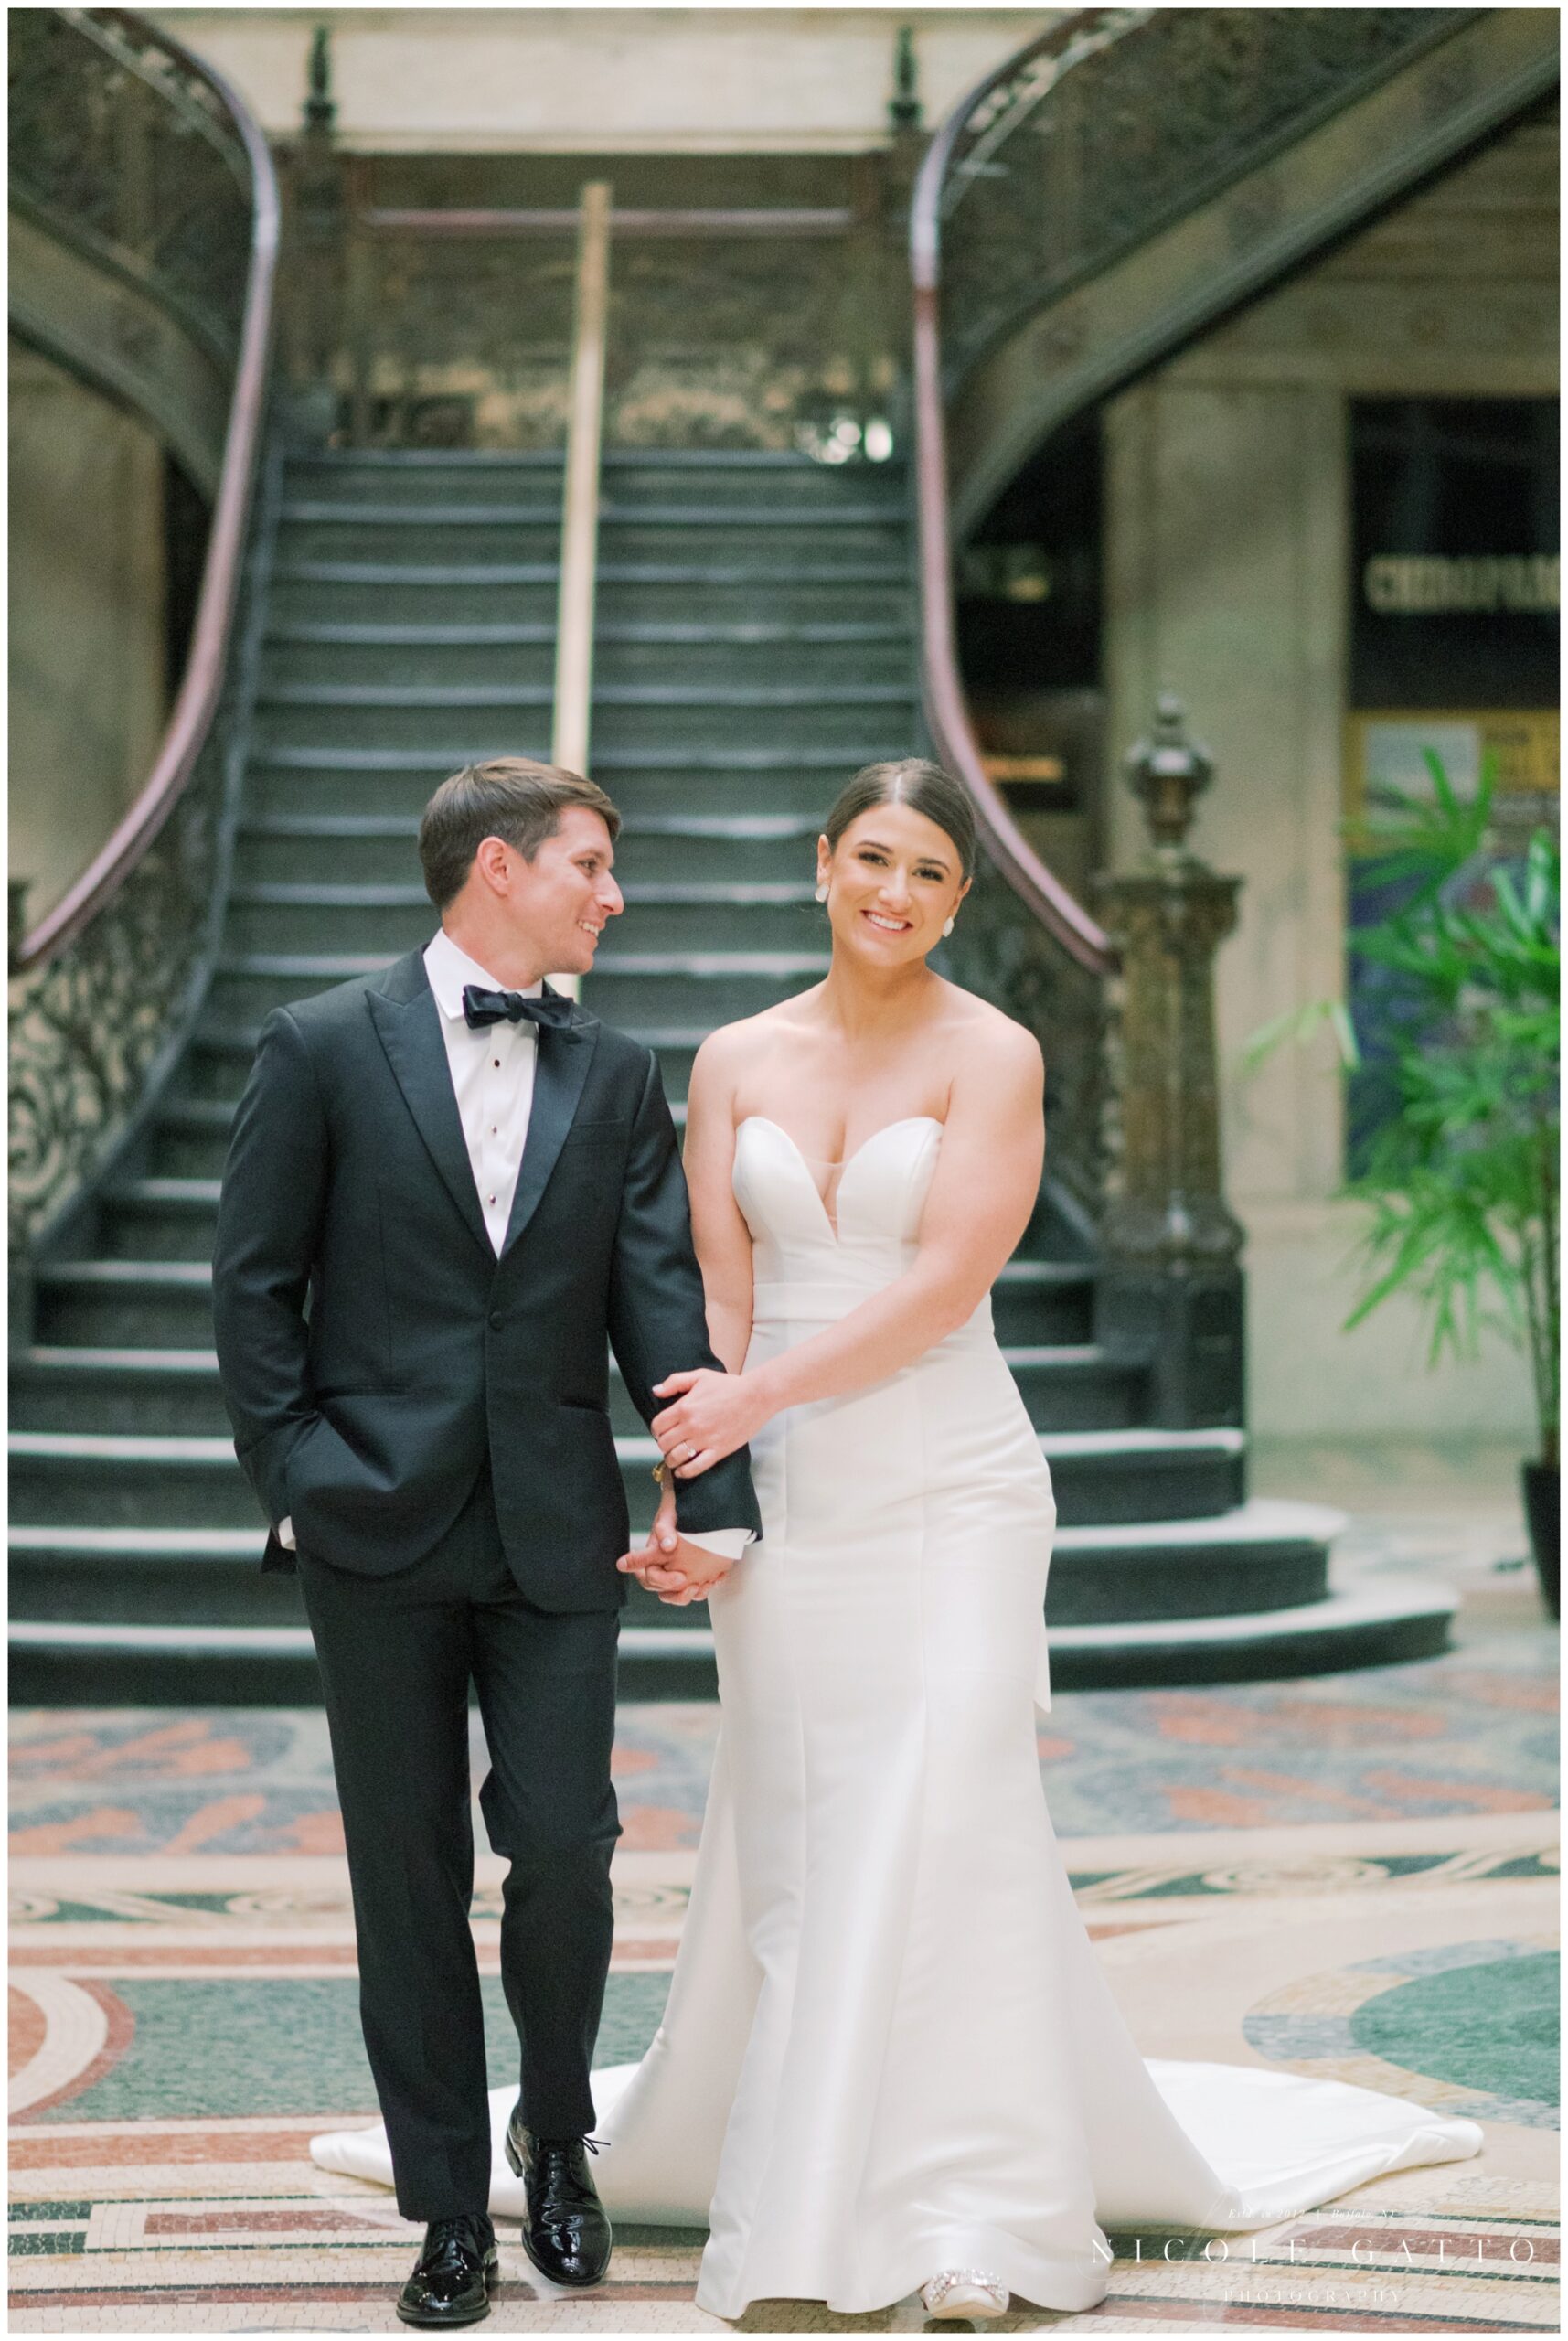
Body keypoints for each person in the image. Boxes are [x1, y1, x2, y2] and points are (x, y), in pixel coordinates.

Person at [312, 756, 1482, 2321]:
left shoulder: (995, 1054)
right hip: (785, 1492)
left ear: (961, 899)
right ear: (820, 864)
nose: (896, 892)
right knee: (808, 1833)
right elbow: (703, 1299)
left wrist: (751, 1402)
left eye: (931, 872)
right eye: (874, 857)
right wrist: (698, 1495)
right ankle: (802, 2169)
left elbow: (940, 1288)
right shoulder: (726, 1061)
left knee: (953, 1798)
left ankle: (973, 2209)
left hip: (950, 1481)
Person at [212, 757, 762, 2328]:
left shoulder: (619, 1071)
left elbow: (658, 1305)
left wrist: (708, 1498)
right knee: (406, 1872)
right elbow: (253, 1287)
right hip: (371, 1520)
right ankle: (448, 2206)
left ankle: (559, 2139)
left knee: (569, 1851)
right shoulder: (319, 1045)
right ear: (500, 870)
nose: (614, 893)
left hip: (553, 1528)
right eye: (592, 865)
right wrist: (298, 1472)